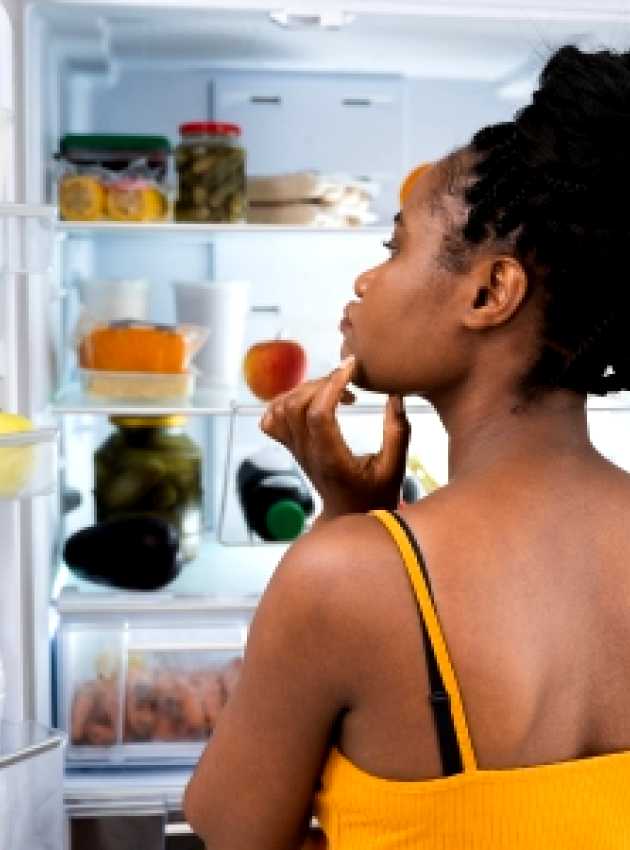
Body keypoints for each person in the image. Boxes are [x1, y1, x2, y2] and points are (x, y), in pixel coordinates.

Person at [184, 45, 630, 848]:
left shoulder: (346, 582)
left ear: (490, 292)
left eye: (395, 248)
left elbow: (230, 829)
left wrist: (346, 529)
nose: (366, 281)